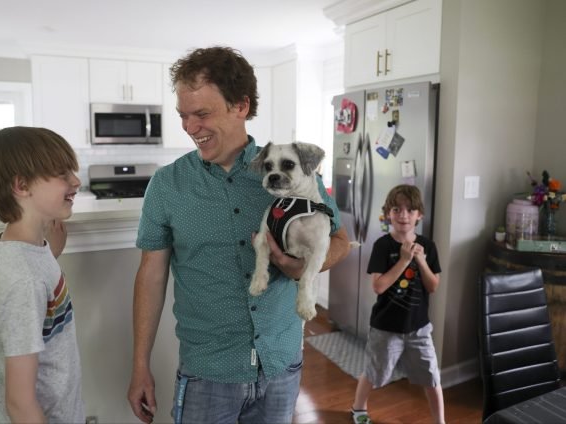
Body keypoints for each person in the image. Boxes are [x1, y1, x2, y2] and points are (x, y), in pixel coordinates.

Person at [127, 46, 352, 424]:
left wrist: (302, 268)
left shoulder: (293, 174)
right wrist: (139, 365)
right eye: (184, 115)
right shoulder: (167, 185)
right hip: (208, 373)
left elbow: (341, 242)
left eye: (202, 114)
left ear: (241, 106)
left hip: (282, 364)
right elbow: (151, 274)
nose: (189, 127)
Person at [0, 126, 85, 423]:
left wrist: (51, 256)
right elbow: (20, 403)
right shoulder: (23, 280)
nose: (76, 181)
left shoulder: (28, 253)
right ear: (22, 186)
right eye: (63, 174)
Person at [351, 184, 444, 424]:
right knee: (374, 372)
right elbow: (378, 286)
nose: (403, 215)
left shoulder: (428, 246)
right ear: (388, 213)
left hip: (419, 328)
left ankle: (440, 421)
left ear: (419, 215)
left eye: (410, 210)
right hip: (385, 328)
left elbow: (433, 286)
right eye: (397, 209)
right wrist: (404, 260)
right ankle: (359, 409)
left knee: (432, 376)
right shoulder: (382, 246)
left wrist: (421, 262)